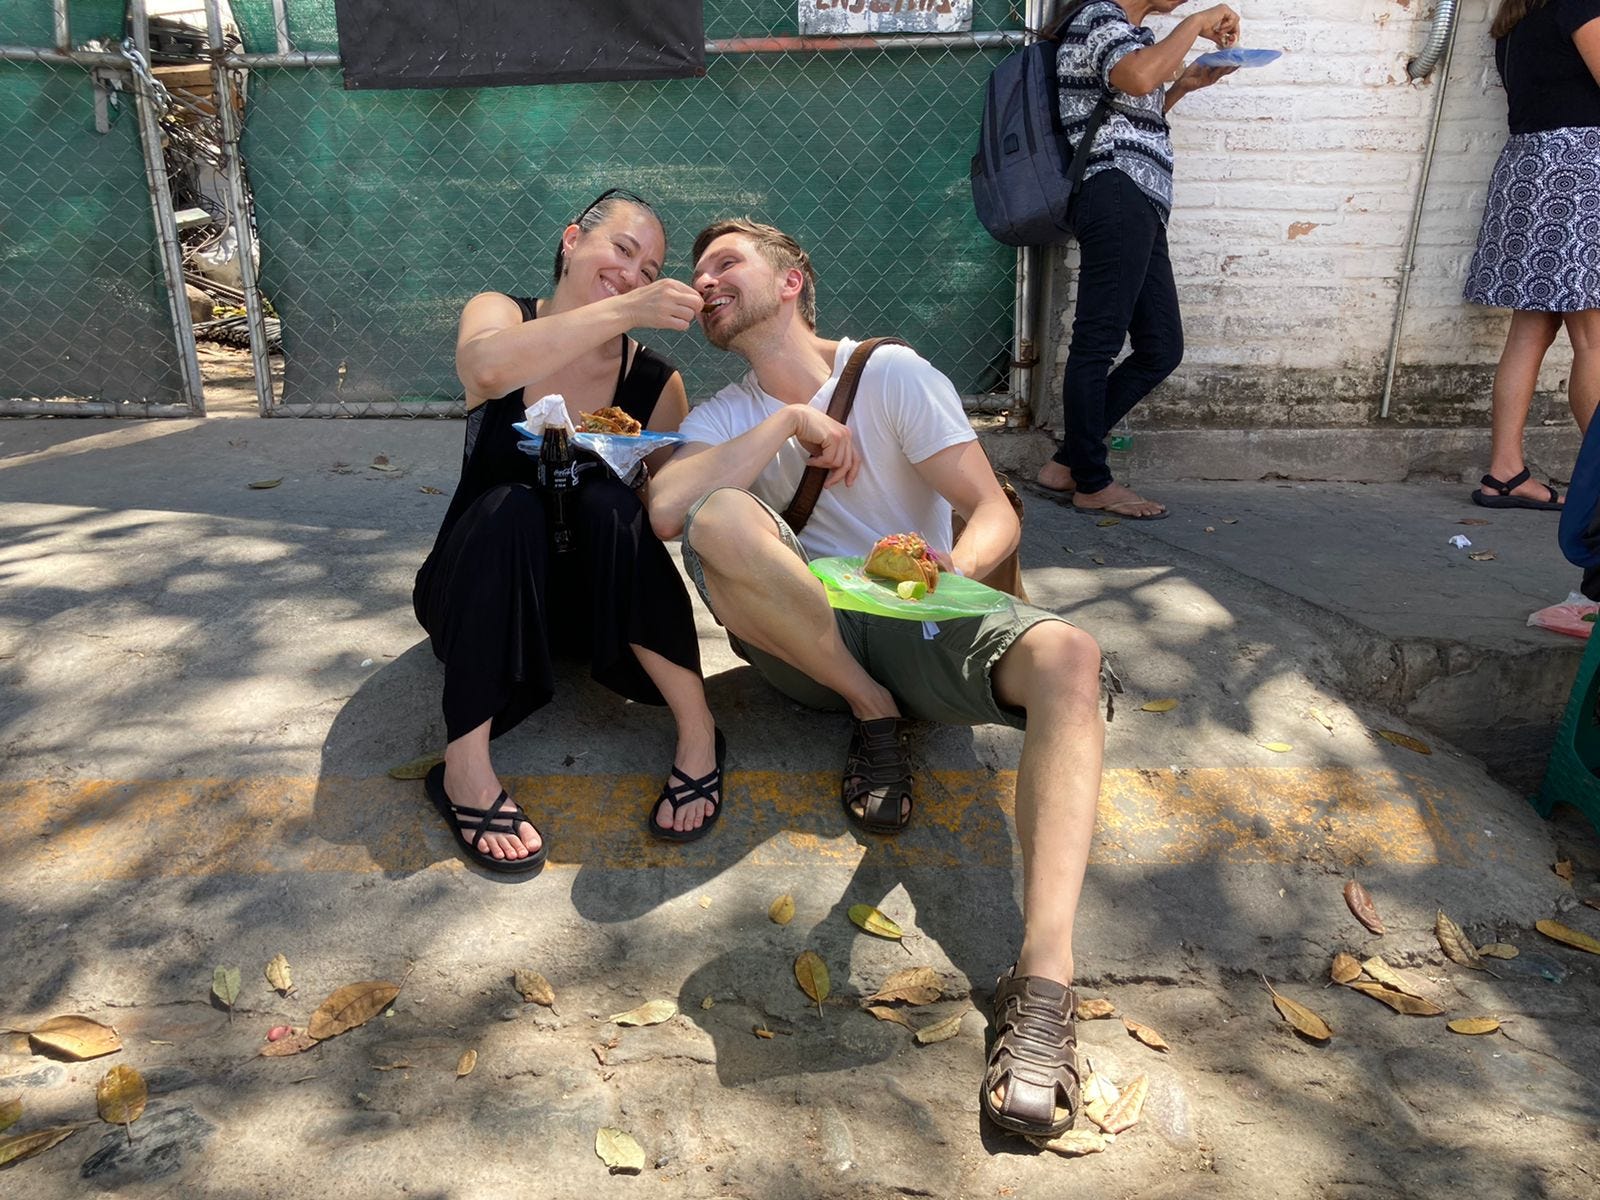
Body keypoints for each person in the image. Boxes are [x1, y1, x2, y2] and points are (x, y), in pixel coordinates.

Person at [649, 217, 1107, 1138]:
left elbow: (992, 512)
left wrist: (946, 579)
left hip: (922, 614)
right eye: (697, 273)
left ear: (792, 280)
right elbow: (665, 509)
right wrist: (788, 421)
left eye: (726, 262)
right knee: (720, 518)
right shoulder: (728, 413)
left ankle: (1044, 984)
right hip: (809, 650)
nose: (705, 281)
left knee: (1073, 656)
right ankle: (873, 714)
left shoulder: (890, 373)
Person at [412, 189, 725, 875]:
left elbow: (661, 512)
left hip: (590, 620)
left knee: (609, 503)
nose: (632, 274)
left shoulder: (654, 380)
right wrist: (626, 308)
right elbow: (483, 368)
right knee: (512, 505)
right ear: (572, 239)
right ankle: (465, 769)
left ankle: (699, 731)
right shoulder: (501, 315)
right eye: (622, 250)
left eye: (649, 272)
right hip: (477, 593)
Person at [1035, 0, 1241, 519]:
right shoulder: (1100, 18)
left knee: (1161, 346)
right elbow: (1136, 78)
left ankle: (1067, 464)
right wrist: (1194, 25)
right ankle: (1092, 482)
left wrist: (1183, 87)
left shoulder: (1128, 34)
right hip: (1116, 190)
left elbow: (1131, 112)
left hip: (1139, 198)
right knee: (1097, 342)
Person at [1463, 0, 1600, 511]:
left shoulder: (1517, 18)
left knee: (1531, 328)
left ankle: (1505, 473)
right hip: (1579, 173)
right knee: (1594, 337)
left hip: (1530, 170)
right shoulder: (1582, 6)